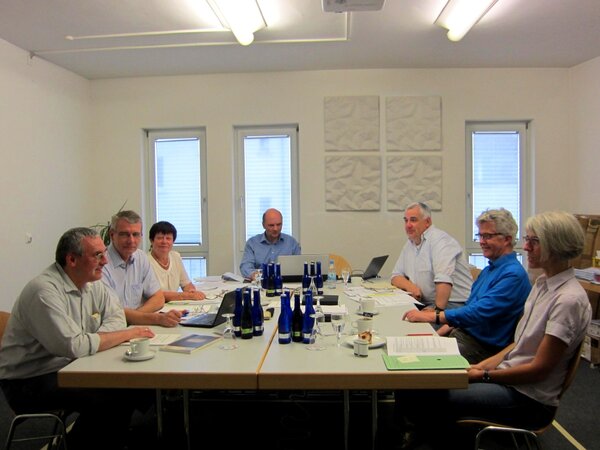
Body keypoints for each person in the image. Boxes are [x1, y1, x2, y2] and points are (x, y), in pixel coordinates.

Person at [395, 210, 592, 449]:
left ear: (556, 245)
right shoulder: (543, 285)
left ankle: (420, 436)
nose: (525, 247)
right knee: (421, 379)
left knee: (432, 392)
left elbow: (539, 370)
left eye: (533, 241)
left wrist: (484, 375)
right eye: (527, 239)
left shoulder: (567, 299)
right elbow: (519, 343)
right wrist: (483, 368)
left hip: (527, 398)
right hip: (509, 376)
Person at [0, 227, 156, 449]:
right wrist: (129, 333)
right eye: (97, 255)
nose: (105, 261)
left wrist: (95, 339)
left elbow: (116, 317)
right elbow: (74, 346)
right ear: (72, 260)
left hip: (72, 366)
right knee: (113, 397)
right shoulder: (44, 291)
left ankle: (111, 439)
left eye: (104, 254)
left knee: (136, 386)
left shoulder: (91, 282)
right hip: (30, 380)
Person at [403, 208, 531, 363]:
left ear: (507, 239)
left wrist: (433, 316)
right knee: (407, 346)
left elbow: (477, 313)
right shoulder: (489, 270)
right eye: (480, 236)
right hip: (463, 336)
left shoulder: (513, 275)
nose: (482, 241)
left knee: (412, 360)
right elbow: (469, 308)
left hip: (481, 348)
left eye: (487, 236)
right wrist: (437, 335)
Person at [102, 210, 182, 327]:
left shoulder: (140, 257)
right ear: (112, 235)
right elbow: (112, 312)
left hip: (136, 325)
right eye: (124, 234)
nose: (131, 240)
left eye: (135, 234)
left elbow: (158, 298)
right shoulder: (101, 263)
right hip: (111, 329)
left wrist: (136, 317)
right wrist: (155, 318)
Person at [391, 202, 473, 313]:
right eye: (406, 220)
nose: (408, 225)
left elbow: (443, 280)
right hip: (425, 302)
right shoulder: (410, 243)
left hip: (455, 304)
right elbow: (395, 276)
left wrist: (436, 312)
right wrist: (411, 287)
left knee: (407, 321)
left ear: (427, 222)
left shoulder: (440, 241)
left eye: (413, 220)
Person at [148, 221, 206, 302]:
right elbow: (154, 294)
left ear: (173, 241)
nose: (164, 242)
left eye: (168, 238)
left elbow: (186, 284)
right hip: (154, 306)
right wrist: (186, 296)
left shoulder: (175, 256)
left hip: (173, 305)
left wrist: (192, 291)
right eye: (160, 238)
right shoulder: (145, 261)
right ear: (152, 240)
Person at [240, 208, 301, 280]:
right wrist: (255, 275)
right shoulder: (252, 243)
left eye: (279, 224)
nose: (275, 229)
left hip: (286, 283)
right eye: (271, 225)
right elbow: (245, 266)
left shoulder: (291, 243)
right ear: (263, 225)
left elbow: (299, 267)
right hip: (261, 282)